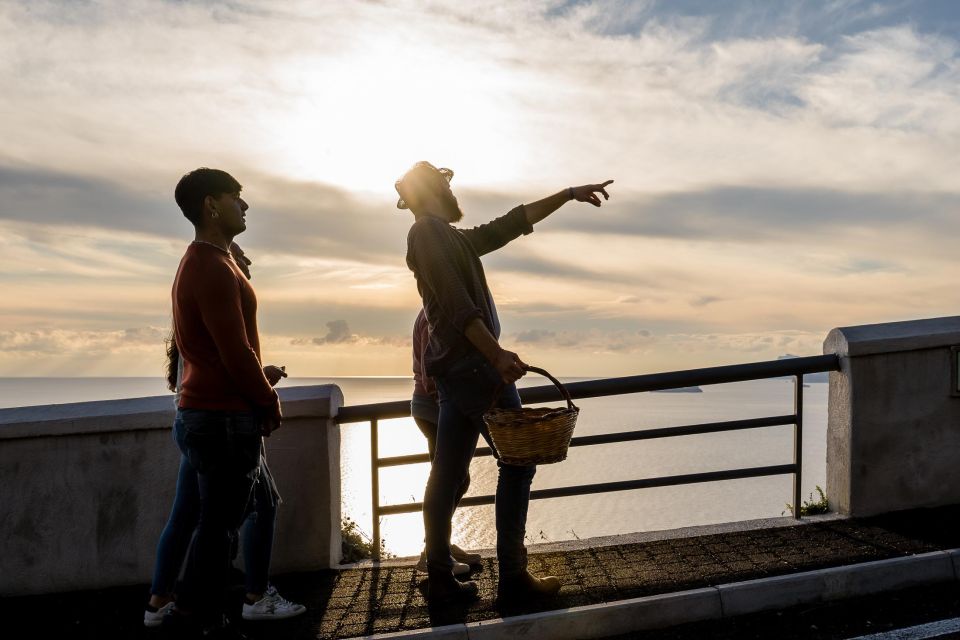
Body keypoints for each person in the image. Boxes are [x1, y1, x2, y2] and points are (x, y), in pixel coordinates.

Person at [397, 161, 613, 605]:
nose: (454, 190)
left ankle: (439, 578)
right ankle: (513, 580)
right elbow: (457, 304)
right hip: (477, 370)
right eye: (447, 183)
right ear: (433, 188)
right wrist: (495, 354)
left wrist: (568, 192)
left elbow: (510, 225)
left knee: (448, 471)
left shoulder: (447, 235)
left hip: (460, 373)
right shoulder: (428, 233)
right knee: (517, 464)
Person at [144, 242, 305, 629]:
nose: (245, 264)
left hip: (198, 418)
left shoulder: (199, 290)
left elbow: (208, 363)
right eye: (240, 258)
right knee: (225, 523)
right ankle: (227, 603)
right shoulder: (213, 279)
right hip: (225, 417)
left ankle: (161, 601)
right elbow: (231, 357)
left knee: (189, 514)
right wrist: (265, 393)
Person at [157, 167, 286, 637]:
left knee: (216, 524)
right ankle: (192, 617)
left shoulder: (212, 260)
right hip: (221, 417)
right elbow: (234, 352)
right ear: (212, 205)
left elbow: (224, 350)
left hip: (211, 413)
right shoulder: (209, 266)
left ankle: (194, 613)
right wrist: (268, 402)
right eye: (237, 197)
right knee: (218, 529)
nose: (245, 205)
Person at [410, 309, 481, 576]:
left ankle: (442, 545)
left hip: (432, 407)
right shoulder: (433, 314)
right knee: (447, 480)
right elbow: (431, 368)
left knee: (455, 480)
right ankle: (432, 552)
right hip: (435, 407)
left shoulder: (431, 311)